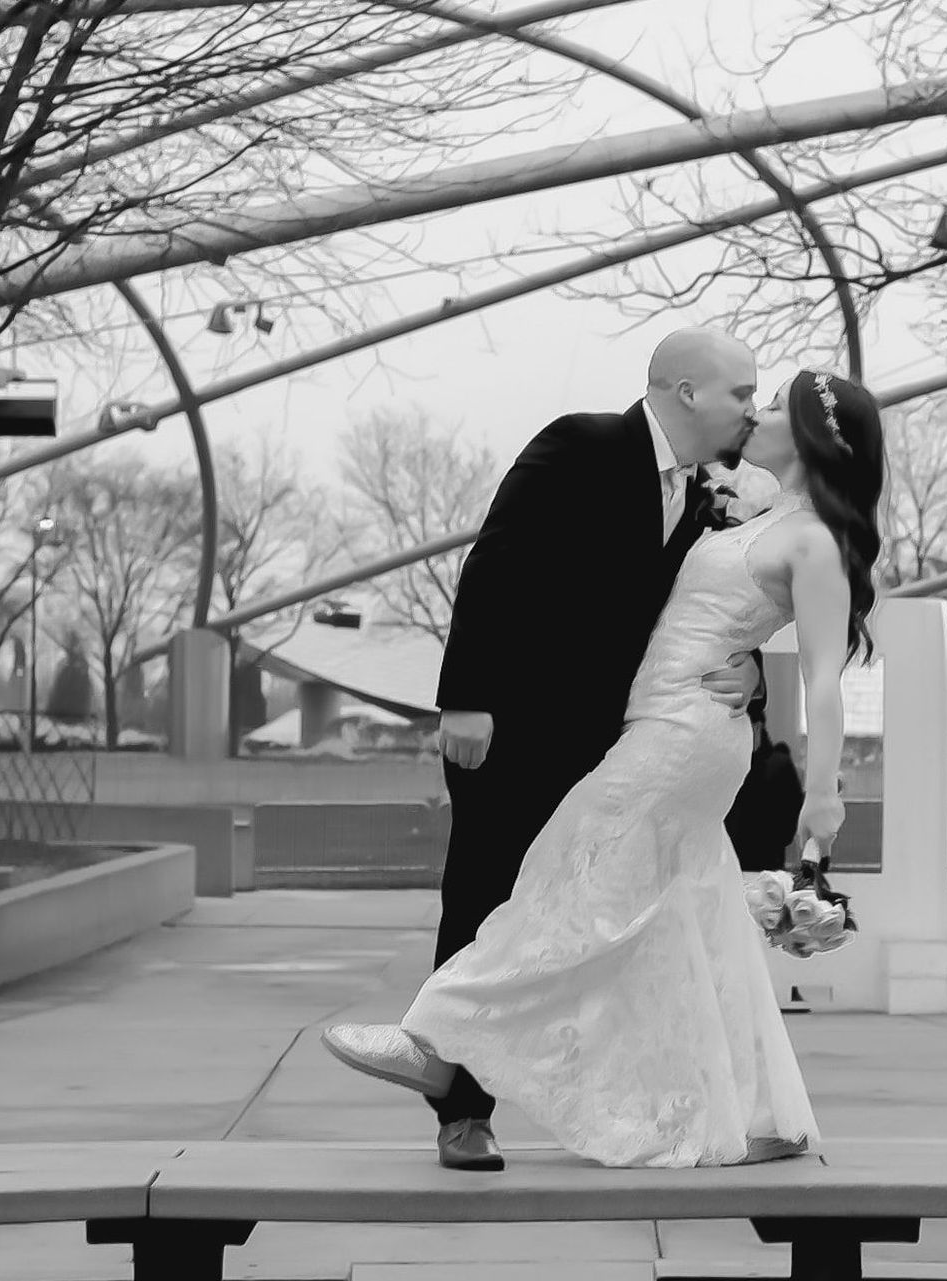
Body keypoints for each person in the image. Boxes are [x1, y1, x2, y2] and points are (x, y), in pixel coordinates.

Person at [323, 365, 887, 1170]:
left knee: (564, 884)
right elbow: (685, 606)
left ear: (803, 437)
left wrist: (822, 805)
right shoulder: (736, 506)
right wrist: (750, 659)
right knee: (688, 916)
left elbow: (825, 674)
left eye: (769, 404)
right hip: (640, 724)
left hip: (680, 739)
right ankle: (749, 1105)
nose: (753, 412)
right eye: (745, 395)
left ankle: (434, 1038)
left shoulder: (810, 541)